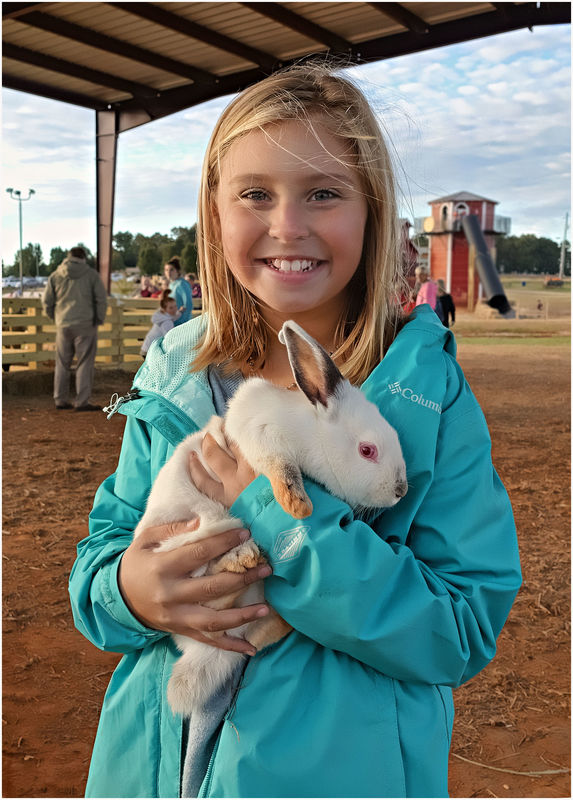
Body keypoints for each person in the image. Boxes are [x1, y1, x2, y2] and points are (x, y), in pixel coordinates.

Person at [69, 64, 520, 798]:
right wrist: (130, 590)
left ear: (372, 210)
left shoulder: (424, 400)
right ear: (214, 212)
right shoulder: (178, 376)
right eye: (254, 194)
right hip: (150, 771)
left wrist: (285, 528)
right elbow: (104, 554)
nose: (287, 226)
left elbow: (461, 626)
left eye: (323, 193)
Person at [42, 246, 107, 411]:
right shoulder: (91, 275)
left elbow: (46, 302)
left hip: (63, 324)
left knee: (62, 363)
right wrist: (98, 319)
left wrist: (56, 318)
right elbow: (101, 299)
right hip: (86, 325)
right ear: (83, 258)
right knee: (84, 363)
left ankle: (60, 399)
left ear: (68, 257)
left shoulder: (55, 276)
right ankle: (82, 401)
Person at [140, 290, 181, 357]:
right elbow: (169, 337)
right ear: (165, 309)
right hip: (150, 351)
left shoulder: (162, 316)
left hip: (147, 347)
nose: (174, 309)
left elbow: (172, 317)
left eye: (175, 306)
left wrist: (180, 313)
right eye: (171, 308)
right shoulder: (167, 322)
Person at [165, 256, 193, 325]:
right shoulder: (171, 285)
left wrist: (181, 319)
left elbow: (188, 305)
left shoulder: (182, 284)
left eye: (171, 270)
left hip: (182, 325)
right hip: (171, 324)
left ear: (177, 271)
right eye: (166, 270)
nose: (168, 272)